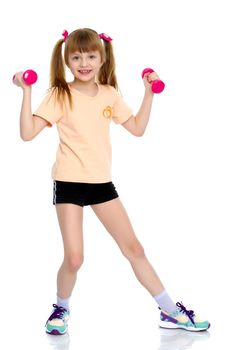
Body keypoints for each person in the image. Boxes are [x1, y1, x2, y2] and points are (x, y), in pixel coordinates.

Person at [14, 28, 210, 335]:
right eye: (76, 56)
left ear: (103, 58)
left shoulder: (109, 94)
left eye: (91, 55)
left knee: (135, 249)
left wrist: (148, 93)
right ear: (66, 59)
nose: (84, 62)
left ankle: (170, 310)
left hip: (101, 184)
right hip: (68, 182)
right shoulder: (59, 94)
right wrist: (25, 93)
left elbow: (136, 128)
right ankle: (60, 309)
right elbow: (27, 134)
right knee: (75, 257)